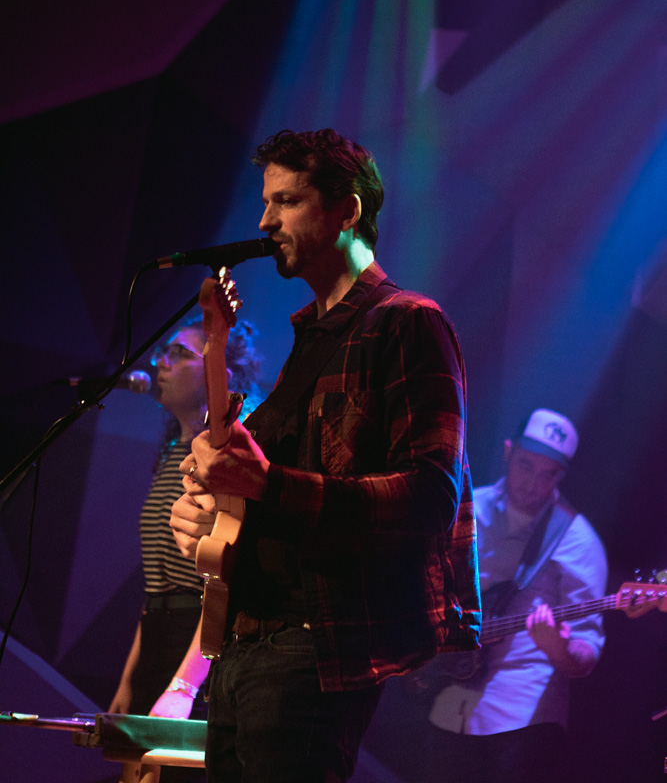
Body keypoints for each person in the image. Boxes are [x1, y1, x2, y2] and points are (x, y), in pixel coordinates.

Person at [169, 128, 482, 783]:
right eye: (264, 202)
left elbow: (430, 495)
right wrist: (209, 512)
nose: (263, 221)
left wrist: (268, 485)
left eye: (286, 201)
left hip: (315, 643)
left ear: (346, 211)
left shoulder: (405, 322)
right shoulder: (308, 338)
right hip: (240, 647)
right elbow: (265, 488)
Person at [421, 408, 608, 783]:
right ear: (508, 451)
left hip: (521, 721)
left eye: (548, 474)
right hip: (443, 699)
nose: (532, 483)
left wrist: (559, 647)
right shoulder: (468, 508)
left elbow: (586, 651)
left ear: (562, 476)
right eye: (526, 465)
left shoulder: (578, 542)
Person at [108, 315, 263, 768]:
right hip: (157, 637)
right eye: (164, 353)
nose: (161, 363)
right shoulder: (173, 452)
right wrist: (129, 678)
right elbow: (156, 587)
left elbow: (221, 583)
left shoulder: (224, 458)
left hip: (199, 646)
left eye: (179, 354)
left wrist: (183, 686)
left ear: (220, 375)